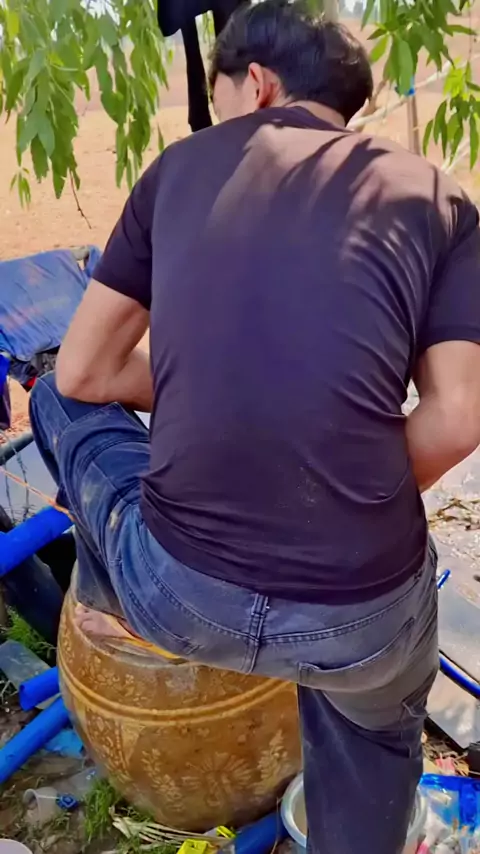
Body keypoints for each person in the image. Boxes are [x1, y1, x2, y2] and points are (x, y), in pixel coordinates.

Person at [29, 2, 480, 852]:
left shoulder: (180, 168)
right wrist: (350, 491)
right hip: (363, 618)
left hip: (178, 595)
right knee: (370, 742)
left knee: (54, 399)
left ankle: (108, 598)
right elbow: (457, 418)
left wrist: (192, 390)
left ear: (259, 83)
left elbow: (84, 375)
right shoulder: (437, 196)